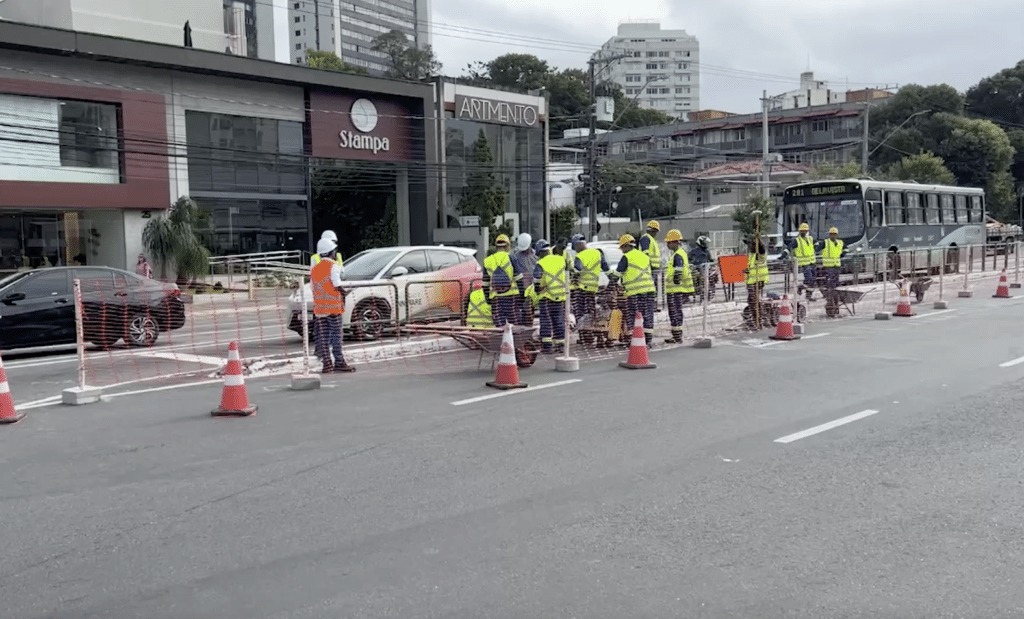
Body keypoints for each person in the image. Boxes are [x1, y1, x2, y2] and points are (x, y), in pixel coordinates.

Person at [310, 237, 354, 373]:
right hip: (333, 309)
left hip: (319, 309)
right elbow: (336, 284)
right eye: (334, 251)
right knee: (336, 336)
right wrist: (345, 292)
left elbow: (313, 287)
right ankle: (339, 362)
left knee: (323, 337)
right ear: (330, 253)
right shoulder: (333, 266)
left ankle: (327, 364)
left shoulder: (314, 269)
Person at [613, 234, 656, 347]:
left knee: (634, 316)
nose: (622, 251)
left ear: (626, 246)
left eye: (622, 248)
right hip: (650, 290)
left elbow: (617, 275)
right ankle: (648, 341)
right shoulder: (645, 256)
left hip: (635, 293)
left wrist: (609, 287)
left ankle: (635, 341)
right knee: (648, 315)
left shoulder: (627, 257)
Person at [532, 239, 567, 354]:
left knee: (546, 321)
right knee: (559, 321)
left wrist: (537, 290)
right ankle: (560, 345)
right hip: (560, 297)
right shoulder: (561, 260)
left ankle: (547, 346)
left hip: (546, 297)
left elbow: (536, 279)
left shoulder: (541, 263)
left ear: (541, 252)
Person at [482, 233, 523, 327]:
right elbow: (519, 279)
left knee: (500, 325)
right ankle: (515, 341)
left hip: (496, 298)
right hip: (512, 297)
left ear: (496, 246)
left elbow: (485, 283)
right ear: (508, 246)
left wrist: (488, 298)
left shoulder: (488, 260)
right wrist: (521, 297)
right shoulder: (511, 258)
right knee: (515, 324)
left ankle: (501, 341)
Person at [663, 229, 694, 343]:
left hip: (676, 289)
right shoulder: (679, 254)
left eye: (669, 242)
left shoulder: (678, 255)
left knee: (674, 312)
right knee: (677, 311)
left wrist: (676, 279)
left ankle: (677, 336)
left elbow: (679, 269)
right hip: (678, 289)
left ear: (675, 242)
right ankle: (677, 335)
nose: (667, 244)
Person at [571, 234, 608, 326]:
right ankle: (591, 328)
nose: (575, 250)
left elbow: (577, 271)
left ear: (578, 245)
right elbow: (606, 268)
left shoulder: (579, 256)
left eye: (574, 247)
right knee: (591, 309)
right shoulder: (597, 253)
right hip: (593, 288)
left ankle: (583, 331)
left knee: (580, 311)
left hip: (581, 288)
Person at [511, 233, 537, 327]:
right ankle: (525, 332)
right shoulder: (515, 257)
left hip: (533, 289)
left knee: (530, 313)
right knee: (525, 313)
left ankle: (528, 331)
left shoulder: (536, 256)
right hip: (521, 289)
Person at [744, 236, 769, 327]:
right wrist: (747, 270)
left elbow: (761, 249)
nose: (750, 247)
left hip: (758, 280)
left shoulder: (760, 254)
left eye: (752, 245)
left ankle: (759, 319)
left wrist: (757, 241)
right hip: (751, 280)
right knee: (752, 299)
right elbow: (752, 267)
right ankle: (757, 318)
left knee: (753, 299)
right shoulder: (752, 255)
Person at [638, 221, 663, 310]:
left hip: (654, 269)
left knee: (653, 288)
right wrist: (649, 266)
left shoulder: (651, 239)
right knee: (650, 288)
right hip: (649, 269)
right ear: (653, 230)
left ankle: (652, 305)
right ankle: (648, 306)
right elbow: (646, 254)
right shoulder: (646, 238)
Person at [789, 222, 817, 301]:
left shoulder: (810, 238)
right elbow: (789, 248)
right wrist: (785, 255)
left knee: (813, 281)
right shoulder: (797, 240)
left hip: (812, 263)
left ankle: (808, 296)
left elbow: (816, 244)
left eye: (805, 231)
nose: (804, 232)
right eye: (802, 231)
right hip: (804, 264)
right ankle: (800, 287)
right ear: (800, 231)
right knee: (809, 279)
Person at [821, 226, 844, 313]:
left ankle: (834, 303)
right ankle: (831, 302)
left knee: (835, 285)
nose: (833, 236)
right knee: (830, 285)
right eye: (831, 234)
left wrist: (843, 253)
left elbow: (846, 249)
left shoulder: (840, 242)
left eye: (834, 234)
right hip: (828, 267)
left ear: (837, 235)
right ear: (829, 235)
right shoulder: (825, 242)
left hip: (836, 267)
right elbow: (817, 248)